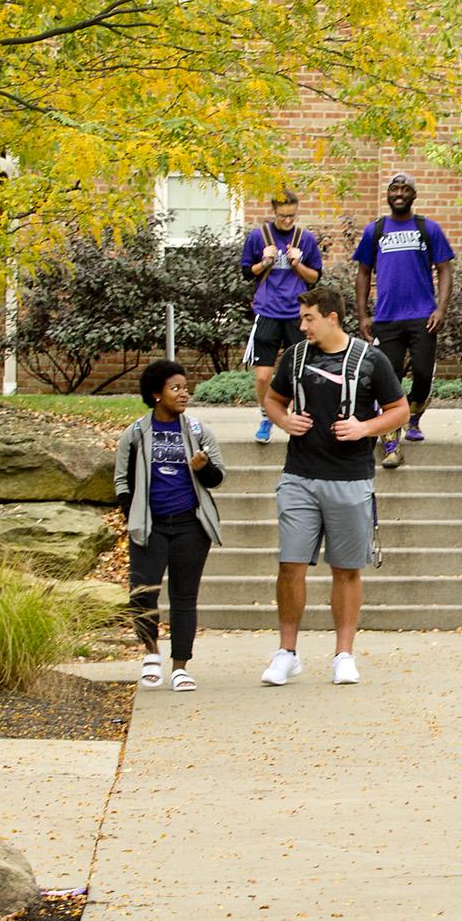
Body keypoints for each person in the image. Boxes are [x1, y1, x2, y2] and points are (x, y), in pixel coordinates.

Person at [260, 285, 409, 686]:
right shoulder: (294, 357)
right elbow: (272, 400)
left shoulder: (369, 359)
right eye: (300, 318)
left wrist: (365, 427)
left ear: (331, 318)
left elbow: (400, 410)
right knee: (290, 564)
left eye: (308, 318)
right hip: (300, 477)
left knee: (346, 569)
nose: (301, 325)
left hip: (350, 478)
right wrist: (283, 420)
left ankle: (344, 654)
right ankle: (286, 653)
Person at [115, 360, 227, 693]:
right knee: (142, 594)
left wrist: (202, 468)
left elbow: (218, 477)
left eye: (185, 387)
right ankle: (151, 654)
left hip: (190, 526)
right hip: (150, 526)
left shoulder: (198, 431)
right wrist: (131, 514)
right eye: (175, 388)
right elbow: (122, 482)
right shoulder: (135, 434)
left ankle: (180, 666)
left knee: (184, 596)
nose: (184, 393)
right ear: (156, 393)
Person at [353, 171, 453, 469]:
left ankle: (414, 415)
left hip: (423, 316)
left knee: (423, 374)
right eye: (393, 189)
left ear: (414, 195)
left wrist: (441, 309)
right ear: (388, 194)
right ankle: (392, 445)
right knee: (388, 381)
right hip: (386, 319)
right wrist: (362, 315)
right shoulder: (376, 231)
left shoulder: (428, 228)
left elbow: (445, 270)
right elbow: (362, 273)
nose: (398, 193)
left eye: (404, 189)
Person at [240, 188, 323, 443]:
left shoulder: (304, 238)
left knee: (299, 370)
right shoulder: (259, 236)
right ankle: (266, 416)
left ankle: (299, 416)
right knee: (264, 374)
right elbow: (246, 273)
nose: (288, 221)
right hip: (267, 310)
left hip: (295, 314)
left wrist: (297, 263)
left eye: (292, 216)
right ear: (274, 212)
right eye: (283, 216)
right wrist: (265, 262)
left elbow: (315, 278)